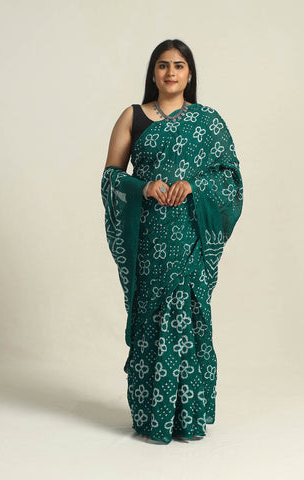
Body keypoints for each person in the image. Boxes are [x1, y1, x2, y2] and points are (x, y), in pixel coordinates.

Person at [101, 39, 243, 444]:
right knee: (151, 316)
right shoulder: (132, 117)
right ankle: (152, 416)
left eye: (179, 65)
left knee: (188, 314)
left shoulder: (207, 122)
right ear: (153, 72)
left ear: (189, 73)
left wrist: (194, 185)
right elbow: (110, 178)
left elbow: (230, 179)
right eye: (163, 65)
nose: (170, 72)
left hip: (190, 235)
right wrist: (144, 187)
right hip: (150, 237)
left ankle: (187, 416)